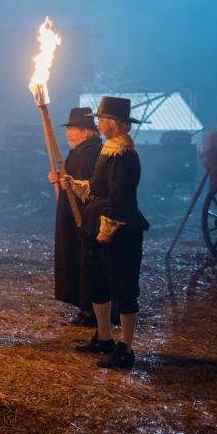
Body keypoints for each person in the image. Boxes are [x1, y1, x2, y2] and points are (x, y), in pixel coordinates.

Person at [66, 97, 149, 369]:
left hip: (119, 230)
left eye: (102, 120)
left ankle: (126, 347)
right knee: (97, 282)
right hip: (96, 225)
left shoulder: (125, 154)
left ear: (114, 124)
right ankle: (104, 338)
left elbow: (120, 196)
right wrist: (73, 183)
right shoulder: (110, 150)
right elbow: (98, 187)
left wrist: (107, 228)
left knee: (123, 286)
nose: (99, 124)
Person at [49, 108, 104, 326]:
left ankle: (91, 310)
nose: (67, 133)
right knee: (75, 259)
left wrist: (70, 183)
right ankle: (84, 306)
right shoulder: (78, 150)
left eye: (71, 129)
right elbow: (69, 177)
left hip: (84, 216)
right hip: (72, 216)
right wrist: (58, 178)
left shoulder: (92, 152)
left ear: (85, 131)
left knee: (86, 262)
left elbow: (92, 182)